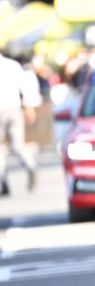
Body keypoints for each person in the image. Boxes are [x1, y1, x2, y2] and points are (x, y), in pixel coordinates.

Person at [0, 52, 42, 195]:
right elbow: (26, 88)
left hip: (6, 108)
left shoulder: (13, 65)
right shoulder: (12, 65)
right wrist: (29, 107)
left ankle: (2, 181)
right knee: (17, 145)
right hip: (14, 108)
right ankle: (30, 164)